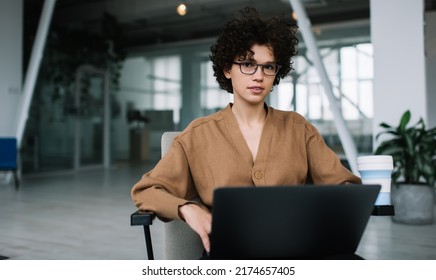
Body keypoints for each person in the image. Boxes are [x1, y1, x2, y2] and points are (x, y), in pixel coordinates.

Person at [131, 7, 361, 258]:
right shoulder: (197, 135)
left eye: (268, 67)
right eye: (248, 64)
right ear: (227, 69)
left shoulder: (299, 129)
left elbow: (344, 187)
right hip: (229, 254)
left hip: (295, 249)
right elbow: (146, 190)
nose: (259, 76)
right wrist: (188, 209)